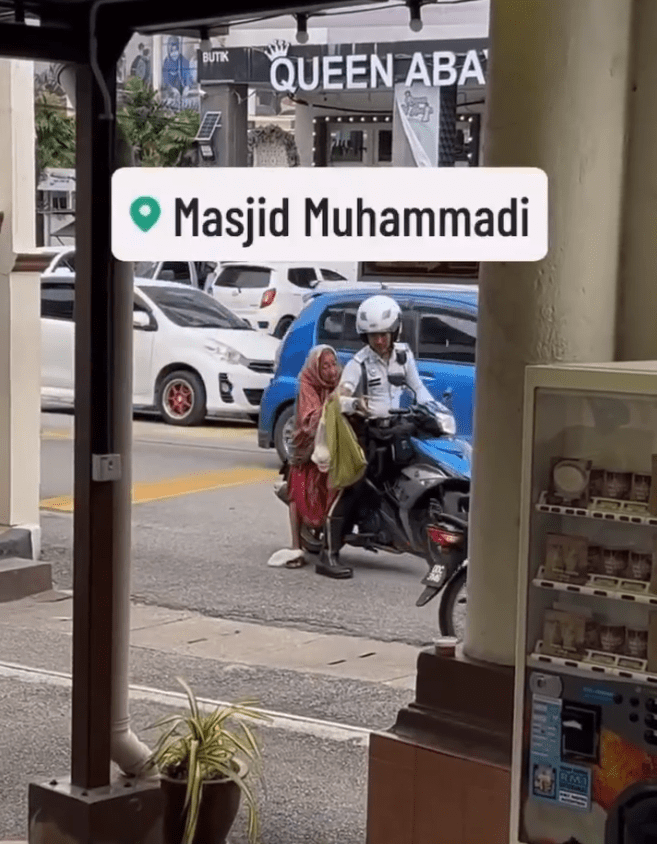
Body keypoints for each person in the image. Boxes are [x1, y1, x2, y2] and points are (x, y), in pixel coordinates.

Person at [317, 294, 454, 578]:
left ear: (395, 331)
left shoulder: (404, 355)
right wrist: (355, 403)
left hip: (397, 426)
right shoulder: (359, 363)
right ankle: (327, 554)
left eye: (384, 334)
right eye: (373, 336)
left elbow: (418, 388)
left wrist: (435, 410)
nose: (379, 341)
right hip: (370, 431)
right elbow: (337, 398)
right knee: (354, 487)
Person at [267, 345, 342, 570]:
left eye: (333, 365)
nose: (331, 371)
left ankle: (330, 545)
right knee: (297, 494)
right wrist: (334, 401)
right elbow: (310, 419)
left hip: (329, 447)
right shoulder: (307, 383)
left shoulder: (339, 382)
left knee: (331, 492)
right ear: (316, 368)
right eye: (325, 366)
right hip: (306, 448)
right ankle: (295, 546)